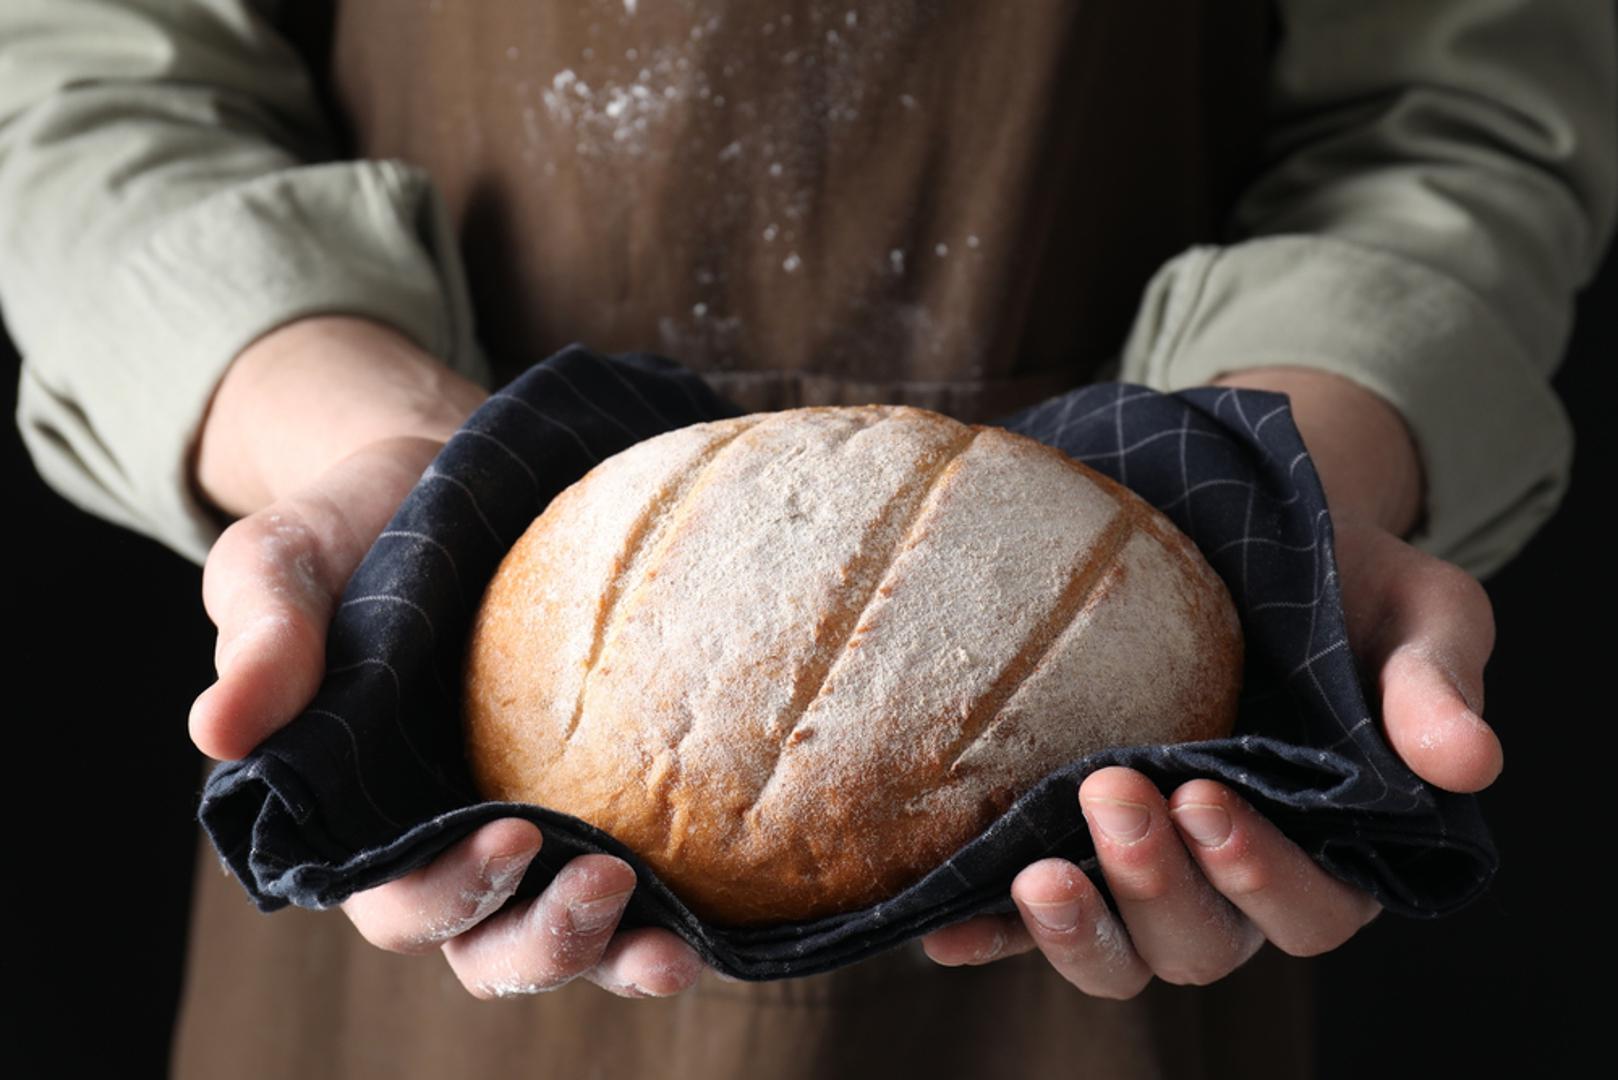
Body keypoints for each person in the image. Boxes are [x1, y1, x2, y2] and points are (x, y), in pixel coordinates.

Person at [2, 1, 1612, 1076]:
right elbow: (85, 74)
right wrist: (366, 439)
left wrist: (1296, 465)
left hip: (1136, 873)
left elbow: (1455, 99)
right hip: (445, 802)